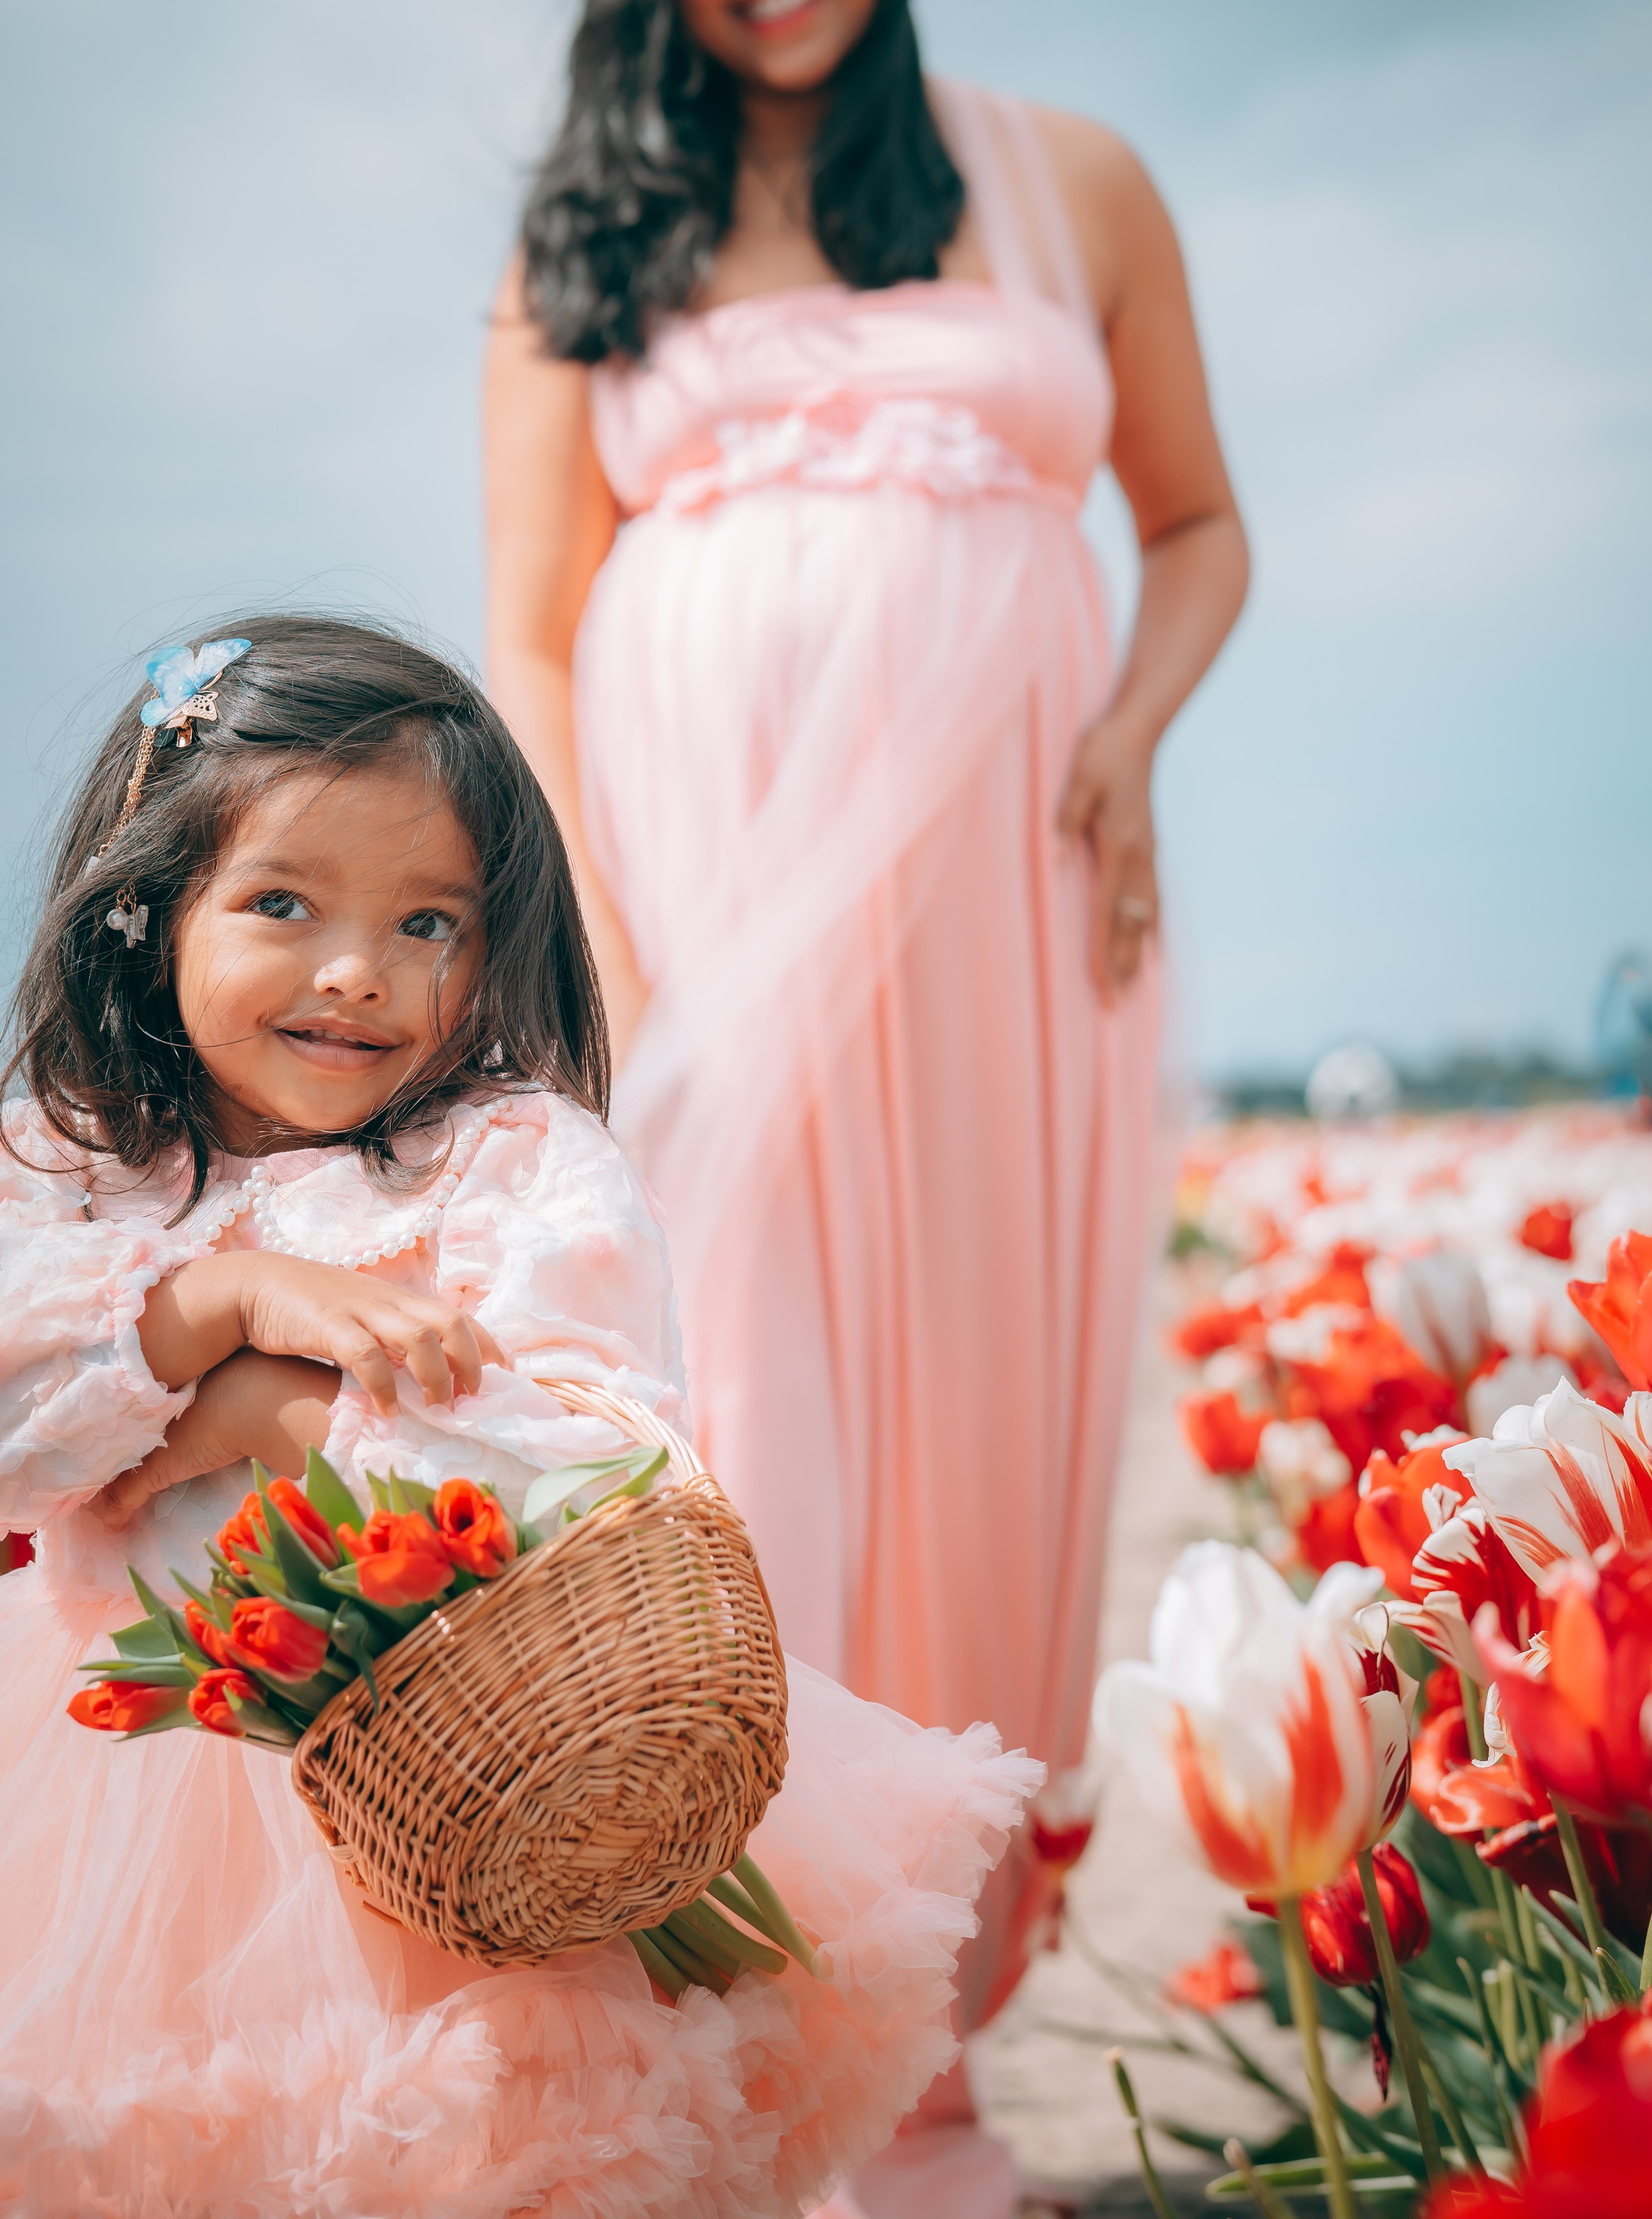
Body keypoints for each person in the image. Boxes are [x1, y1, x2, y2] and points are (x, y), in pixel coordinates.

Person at [485, 0, 1246, 2211]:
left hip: (1021, 939)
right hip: (714, 939)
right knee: (758, 1457)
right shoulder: (589, 246)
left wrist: (1131, 732)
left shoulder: (1075, 186)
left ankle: (939, 2062)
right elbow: (536, 636)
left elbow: (1200, 528)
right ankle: (754, 2062)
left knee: (997, 1453)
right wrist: (607, 966)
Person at [0, 614, 1039, 2218]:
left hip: (472, 1779)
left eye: (428, 921)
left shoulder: (507, 1165)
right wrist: (218, 1313)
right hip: (124, 1815)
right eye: (282, 904)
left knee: (482, 2142)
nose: (357, 970)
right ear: (149, 908)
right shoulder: (69, 1162)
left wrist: (270, 1422)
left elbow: (591, 1463)